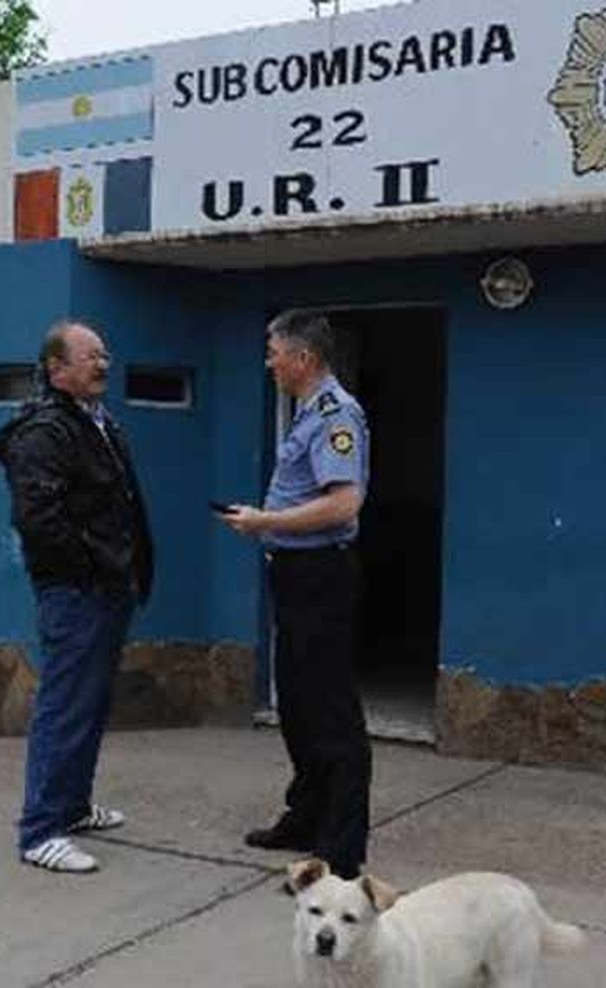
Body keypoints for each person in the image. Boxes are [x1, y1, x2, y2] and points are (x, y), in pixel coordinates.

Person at [0, 319, 155, 873]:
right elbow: (38, 518)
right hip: (77, 591)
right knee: (64, 705)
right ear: (57, 369)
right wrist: (90, 568)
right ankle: (40, 830)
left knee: (90, 701)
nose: (102, 364)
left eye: (105, 354)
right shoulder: (43, 431)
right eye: (90, 356)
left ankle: (73, 806)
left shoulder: (98, 421)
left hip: (109, 587)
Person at [220, 311, 372, 879]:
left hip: (321, 575)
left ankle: (342, 848)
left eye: (274, 352)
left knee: (331, 711)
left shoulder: (337, 414)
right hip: (294, 571)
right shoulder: (307, 413)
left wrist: (266, 521)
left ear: (303, 358)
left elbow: (343, 503)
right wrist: (268, 525)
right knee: (300, 708)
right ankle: (306, 817)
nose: (269, 362)